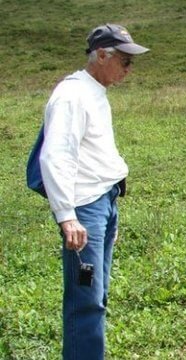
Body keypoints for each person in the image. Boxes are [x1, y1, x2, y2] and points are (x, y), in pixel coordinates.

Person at [38, 24, 149, 359]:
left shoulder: (94, 91)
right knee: (86, 302)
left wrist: (108, 211)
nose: (129, 69)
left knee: (96, 295)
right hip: (85, 209)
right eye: (125, 61)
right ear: (102, 55)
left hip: (102, 204)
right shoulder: (72, 95)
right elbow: (55, 155)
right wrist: (68, 217)